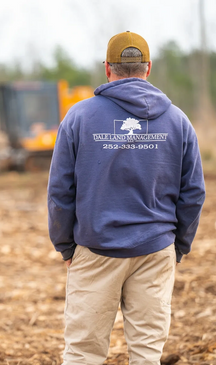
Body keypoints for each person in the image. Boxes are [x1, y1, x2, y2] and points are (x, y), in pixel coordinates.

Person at [47, 31, 205, 365]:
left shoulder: (78, 117)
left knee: (82, 354)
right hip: (155, 250)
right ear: (148, 69)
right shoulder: (178, 121)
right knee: (147, 354)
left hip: (96, 250)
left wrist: (65, 246)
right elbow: (193, 193)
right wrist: (178, 245)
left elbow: (60, 191)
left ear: (108, 69)